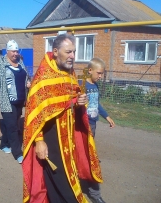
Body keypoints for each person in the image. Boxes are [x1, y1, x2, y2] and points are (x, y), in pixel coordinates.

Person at [22, 34, 103, 203]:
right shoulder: (43, 76)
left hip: (69, 137)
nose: (72, 56)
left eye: (74, 52)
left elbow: (71, 100)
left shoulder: (70, 73)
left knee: (65, 178)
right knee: (60, 181)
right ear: (56, 51)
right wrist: (39, 141)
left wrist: (80, 102)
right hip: (51, 137)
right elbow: (34, 112)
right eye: (68, 52)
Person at [0, 40, 30, 164]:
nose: (15, 54)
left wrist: (27, 84)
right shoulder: (0, 65)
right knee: (13, 127)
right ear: (7, 51)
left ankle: (3, 144)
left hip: (20, 100)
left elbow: (25, 76)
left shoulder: (20, 63)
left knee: (10, 124)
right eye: (13, 51)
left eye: (17, 51)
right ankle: (17, 153)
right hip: (7, 101)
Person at [82, 57, 116, 203]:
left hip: (93, 125)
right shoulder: (82, 84)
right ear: (90, 71)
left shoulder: (94, 86)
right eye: (99, 73)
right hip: (83, 126)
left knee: (89, 152)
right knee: (85, 154)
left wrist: (107, 116)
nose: (101, 76)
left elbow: (97, 104)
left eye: (102, 74)